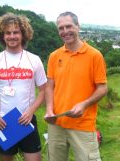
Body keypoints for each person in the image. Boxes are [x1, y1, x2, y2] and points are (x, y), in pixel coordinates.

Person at [44, 11, 108, 161]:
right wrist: (49, 109)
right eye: (61, 28)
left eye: (69, 26)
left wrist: (84, 104)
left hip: (83, 123)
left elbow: (102, 88)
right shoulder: (54, 56)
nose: (65, 31)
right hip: (56, 123)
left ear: (78, 27)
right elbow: (49, 86)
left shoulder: (94, 55)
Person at [0, 13, 47, 161]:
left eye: (16, 32)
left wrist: (31, 111)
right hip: (3, 122)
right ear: (2, 35)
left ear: (23, 34)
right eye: (8, 33)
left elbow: (44, 90)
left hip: (27, 120)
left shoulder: (34, 60)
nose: (12, 36)